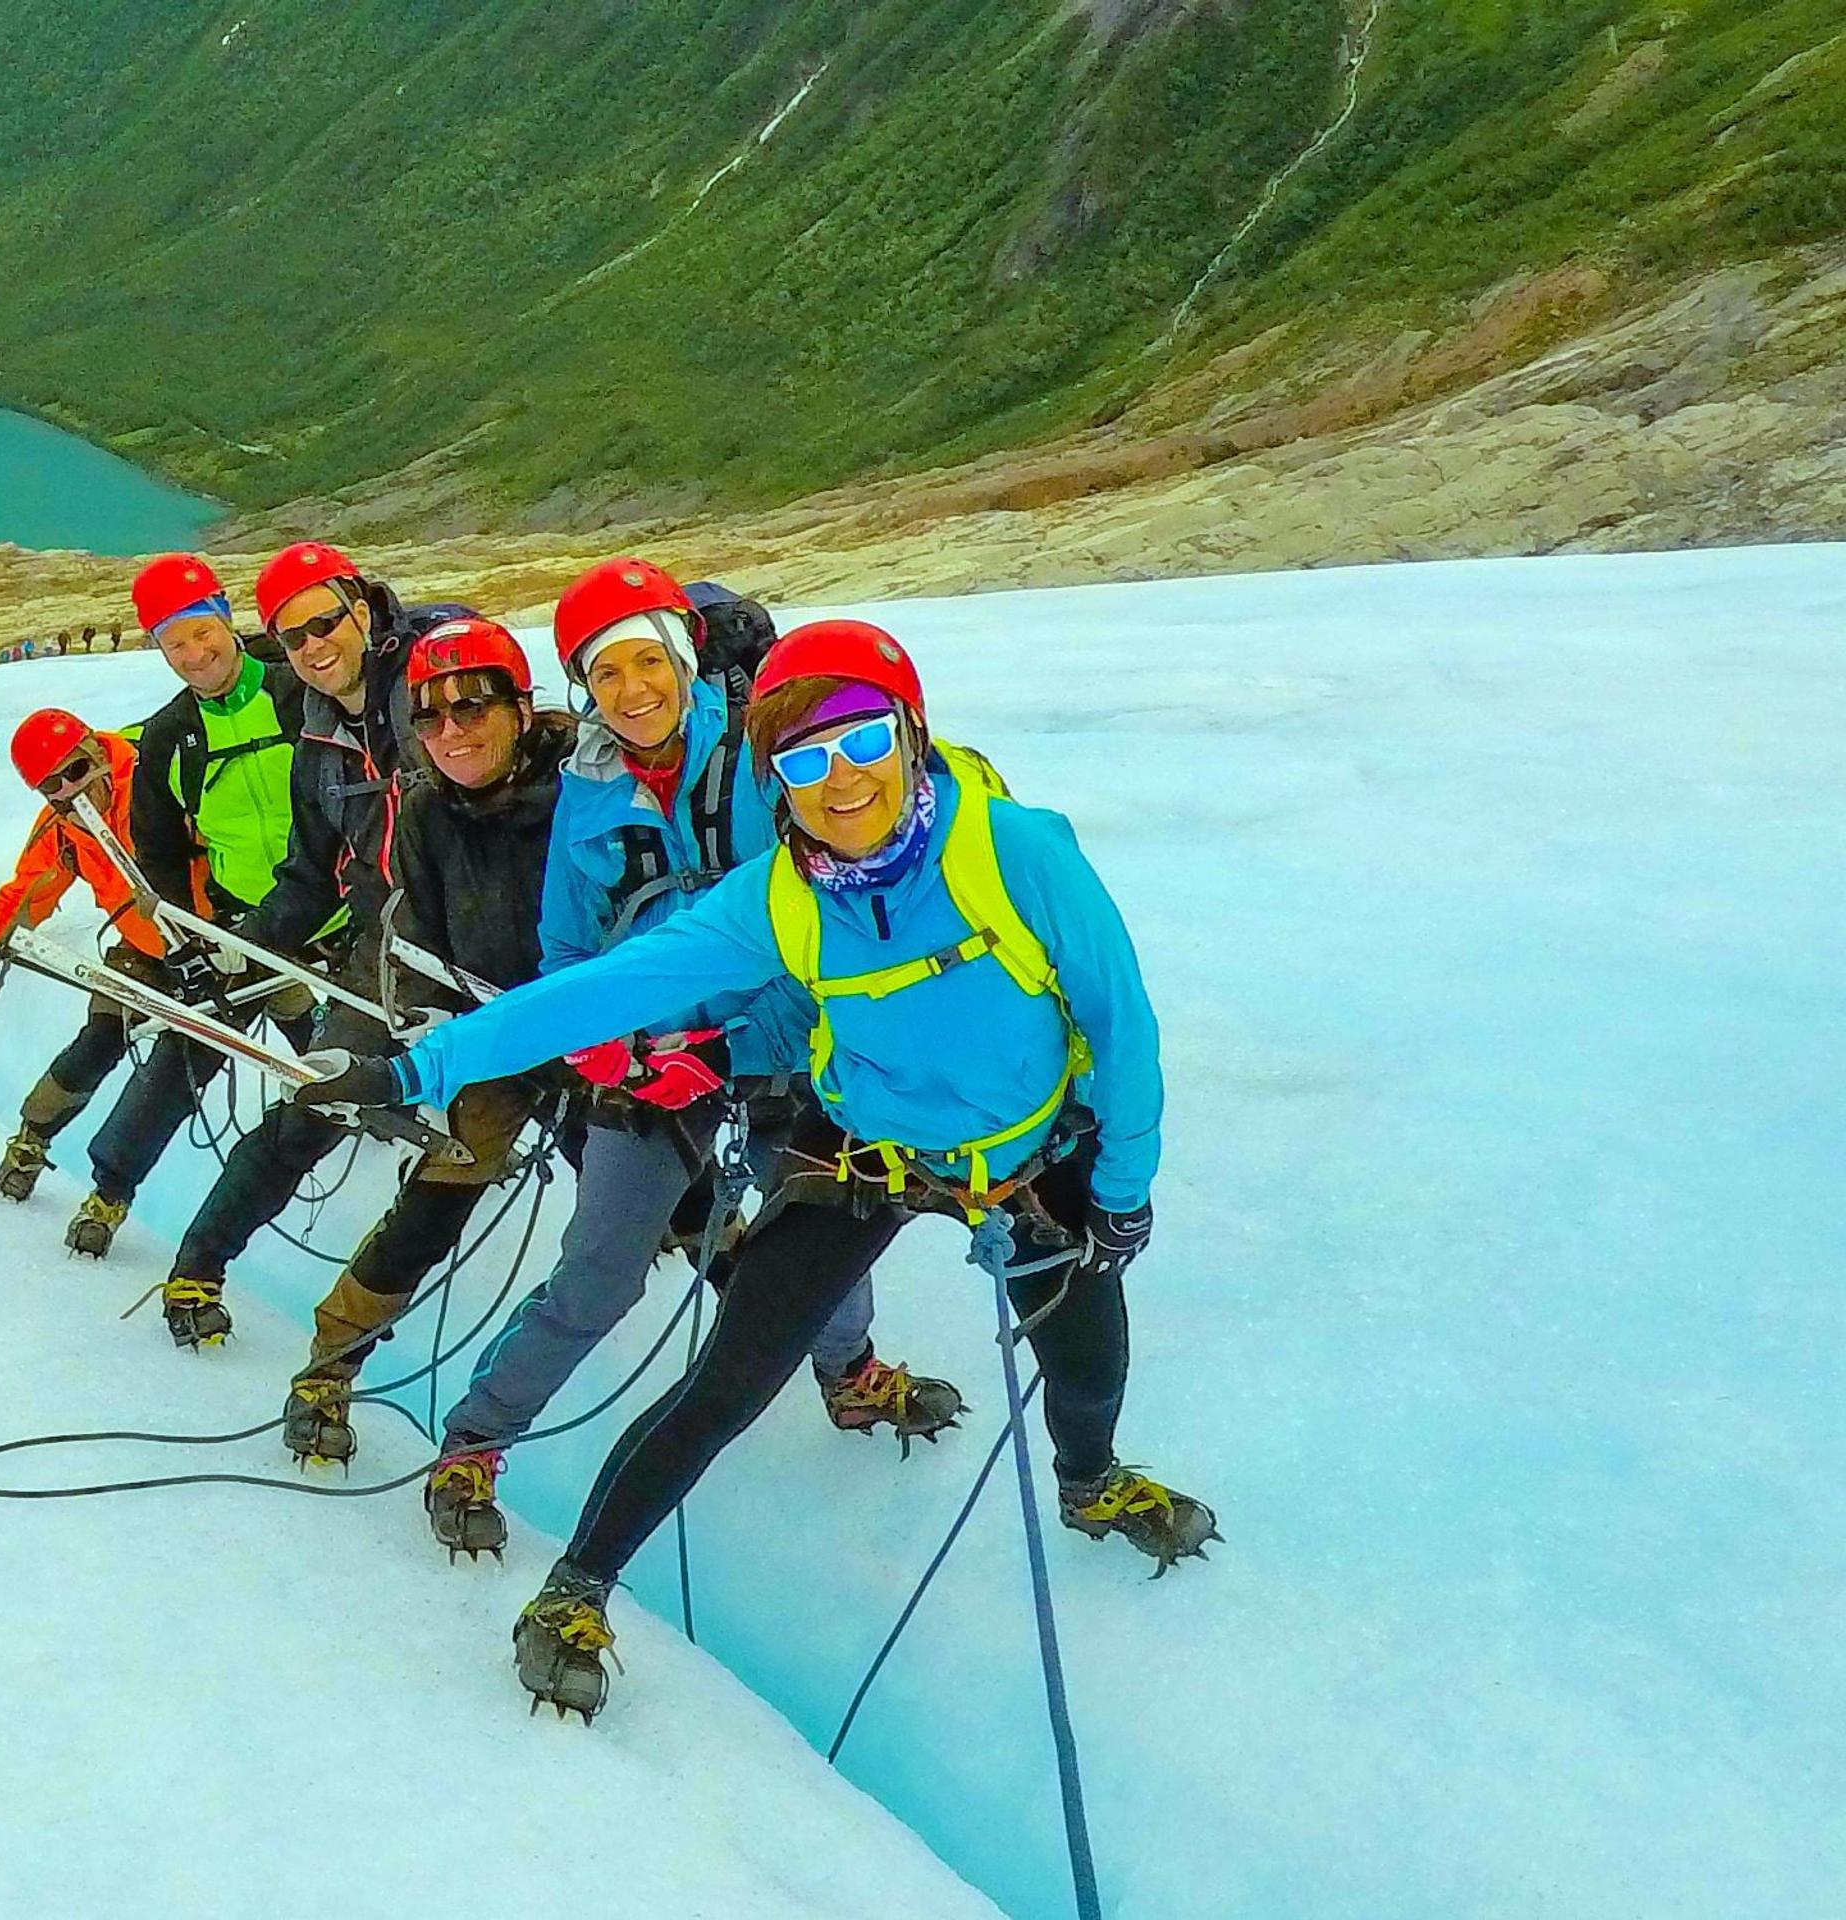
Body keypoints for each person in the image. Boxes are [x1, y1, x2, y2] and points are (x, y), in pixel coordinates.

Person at [303, 616, 1214, 1717]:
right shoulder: (775, 896)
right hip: (867, 1147)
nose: (840, 780)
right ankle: (578, 1585)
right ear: (773, 774)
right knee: (729, 1379)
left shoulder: (1018, 852)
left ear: (912, 733)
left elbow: (1123, 1032)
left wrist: (1122, 1189)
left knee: (1084, 1359)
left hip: (1035, 1151)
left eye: (861, 737)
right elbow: (594, 993)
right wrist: (420, 1070)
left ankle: (1089, 1480)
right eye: (803, 757)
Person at [414, 562, 966, 1560]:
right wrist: (610, 1050)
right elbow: (570, 949)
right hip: (647, 1061)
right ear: (584, 687)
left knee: (819, 1232)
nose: (631, 690)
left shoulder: (770, 747)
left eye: (646, 660)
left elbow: (830, 908)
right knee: (601, 1272)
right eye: (605, 672)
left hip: (783, 1047)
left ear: (683, 655)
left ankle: (848, 1372)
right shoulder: (586, 786)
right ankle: (475, 1440)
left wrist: (719, 1045)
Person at [148, 542, 482, 1348]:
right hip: (392, 953)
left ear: (362, 609)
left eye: (325, 622)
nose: (313, 646)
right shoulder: (318, 736)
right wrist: (241, 953)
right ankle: (199, 1264)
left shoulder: (438, 686)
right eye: (293, 638)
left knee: (613, 1131)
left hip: (501, 946)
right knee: (316, 1092)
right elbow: (311, 874)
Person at [271, 616, 582, 1466]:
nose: (452, 731)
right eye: (432, 715)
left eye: (473, 706)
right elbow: (416, 939)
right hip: (487, 1034)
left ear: (521, 708)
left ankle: (837, 1362)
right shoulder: (425, 812)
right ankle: (329, 1364)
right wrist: (426, 1043)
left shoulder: (589, 794)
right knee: (434, 1203)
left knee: (682, 1198)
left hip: (598, 1037)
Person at [57, 554, 321, 1258]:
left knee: (346, 1049)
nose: (195, 653)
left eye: (203, 632)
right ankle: (110, 1190)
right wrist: (189, 939)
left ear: (227, 618)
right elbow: (161, 852)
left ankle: (388, 1126)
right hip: (245, 926)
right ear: (158, 647)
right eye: (176, 642)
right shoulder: (172, 737)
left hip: (340, 916)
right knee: (189, 1044)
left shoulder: (304, 698)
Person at [0, 708, 173, 1201]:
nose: (72, 789)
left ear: (94, 747)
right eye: (54, 785)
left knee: (191, 1059)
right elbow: (20, 902)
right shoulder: (62, 829)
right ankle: (32, 1140)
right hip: (145, 949)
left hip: (226, 940)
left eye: (76, 769)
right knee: (100, 1040)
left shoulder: (160, 776)